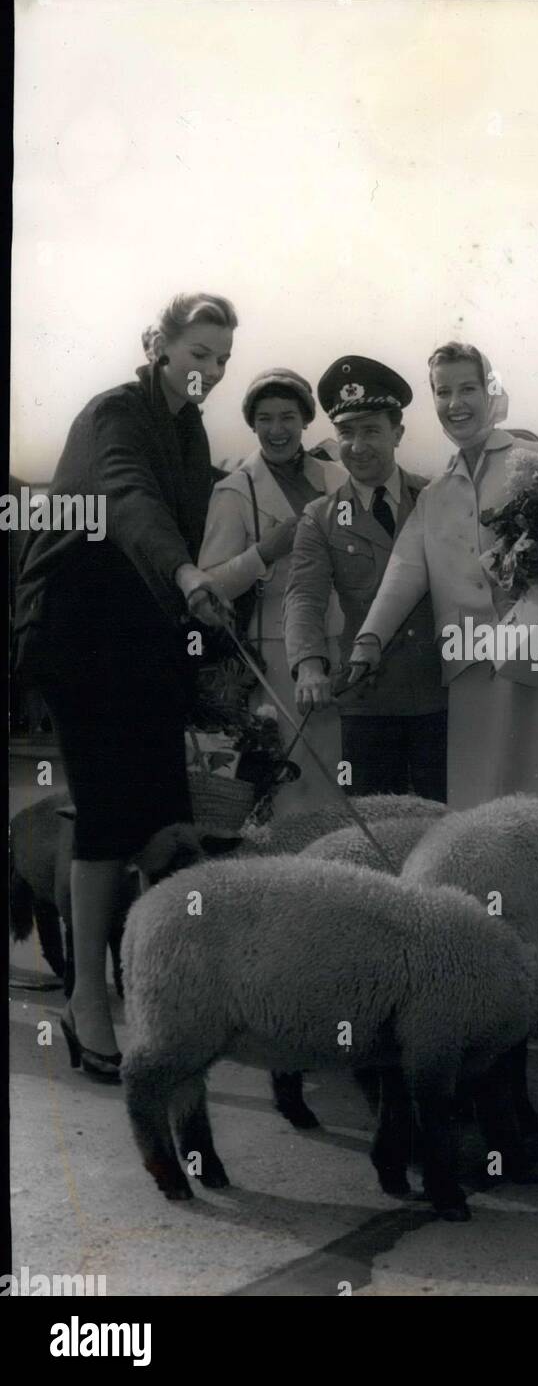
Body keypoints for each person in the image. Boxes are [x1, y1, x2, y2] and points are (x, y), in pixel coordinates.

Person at [12, 292, 238, 1077]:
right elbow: (130, 499)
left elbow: (197, 510)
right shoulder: (115, 412)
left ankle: (152, 989)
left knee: (165, 819)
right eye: (198, 353)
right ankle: (86, 1002)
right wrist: (185, 571)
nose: (208, 370)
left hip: (146, 634)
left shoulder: (190, 425)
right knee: (109, 814)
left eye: (220, 359)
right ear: (159, 344)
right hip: (81, 623)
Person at [347, 341, 538, 836]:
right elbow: (404, 569)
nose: (455, 403)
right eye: (443, 392)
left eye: (468, 388)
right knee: (482, 812)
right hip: (470, 672)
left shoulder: (533, 460)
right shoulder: (437, 494)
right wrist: (368, 641)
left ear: (490, 391)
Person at [283, 355, 447, 800]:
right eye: (346, 433)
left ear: (398, 433)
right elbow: (304, 597)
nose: (357, 445)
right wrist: (309, 666)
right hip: (366, 703)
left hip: (443, 697)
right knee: (375, 837)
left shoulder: (436, 498)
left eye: (371, 430)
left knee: (448, 831)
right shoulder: (320, 517)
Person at [198, 368, 348, 812]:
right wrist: (264, 551)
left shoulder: (338, 479)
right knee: (292, 774)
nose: (277, 430)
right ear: (252, 423)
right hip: (276, 656)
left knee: (336, 776)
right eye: (265, 419)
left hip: (339, 642)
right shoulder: (234, 490)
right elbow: (209, 586)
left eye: (288, 417)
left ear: (305, 421)